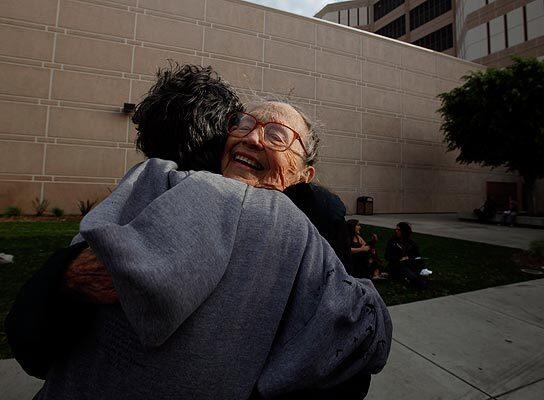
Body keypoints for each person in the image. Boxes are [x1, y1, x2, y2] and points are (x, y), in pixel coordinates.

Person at [6, 64, 389, 399]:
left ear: (305, 175)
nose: (252, 137)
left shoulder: (317, 241)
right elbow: (41, 336)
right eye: (244, 124)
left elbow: (352, 357)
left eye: (276, 135)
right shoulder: (160, 190)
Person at [385, 222, 426, 288]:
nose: (396, 231)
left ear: (404, 231)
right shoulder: (392, 242)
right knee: (401, 265)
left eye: (399, 230)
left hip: (409, 263)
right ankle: (415, 280)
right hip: (396, 265)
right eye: (396, 229)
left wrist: (409, 257)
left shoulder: (411, 243)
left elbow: (418, 256)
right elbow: (387, 256)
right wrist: (399, 258)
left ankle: (417, 277)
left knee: (418, 263)